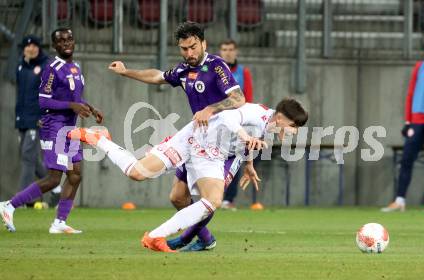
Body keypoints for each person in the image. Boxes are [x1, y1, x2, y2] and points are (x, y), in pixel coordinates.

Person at [68, 97, 308, 252]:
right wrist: (246, 138)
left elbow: (244, 144)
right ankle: (97, 138)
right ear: (281, 118)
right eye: (293, 127)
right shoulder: (256, 113)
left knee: (211, 201)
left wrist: (248, 165)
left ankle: (157, 237)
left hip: (211, 156)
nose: (294, 133)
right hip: (191, 138)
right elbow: (226, 116)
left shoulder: (267, 126)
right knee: (137, 173)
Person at [108, 21, 254, 251]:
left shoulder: (216, 66)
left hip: (225, 146)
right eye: (184, 49)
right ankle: (206, 239)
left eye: (193, 47)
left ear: (203, 43)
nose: (189, 53)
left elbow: (239, 99)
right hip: (198, 139)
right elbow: (158, 76)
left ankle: (186, 238)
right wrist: (127, 72)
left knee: (210, 199)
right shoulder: (184, 69)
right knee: (177, 197)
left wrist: (210, 109)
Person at [0, 27, 104, 233]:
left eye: (69, 39)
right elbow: (44, 100)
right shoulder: (52, 68)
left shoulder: (75, 67)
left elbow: (73, 99)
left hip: (70, 127)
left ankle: (59, 223)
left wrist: (90, 108)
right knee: (55, 178)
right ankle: (9, 205)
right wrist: (72, 106)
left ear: (74, 42)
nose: (66, 43)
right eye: (61, 41)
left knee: (75, 175)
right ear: (55, 46)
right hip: (53, 126)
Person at [381, 35, 424, 213]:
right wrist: (408, 121)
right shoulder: (419, 68)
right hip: (417, 122)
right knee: (406, 160)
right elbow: (411, 94)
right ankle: (400, 200)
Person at [218, 39, 257, 210]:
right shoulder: (214, 71)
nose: (227, 52)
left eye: (230, 49)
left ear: (236, 52)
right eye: (224, 49)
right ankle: (213, 195)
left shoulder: (243, 72)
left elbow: (248, 98)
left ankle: (228, 199)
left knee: (234, 160)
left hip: (238, 123)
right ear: (220, 52)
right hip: (217, 121)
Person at [15, 35, 48, 200]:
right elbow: (20, 95)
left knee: (28, 157)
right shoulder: (20, 67)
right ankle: (55, 187)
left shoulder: (45, 66)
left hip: (36, 119)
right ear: (24, 48)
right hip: (22, 119)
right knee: (29, 157)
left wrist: (45, 115)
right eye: (29, 46)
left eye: (35, 45)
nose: (32, 48)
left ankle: (23, 199)